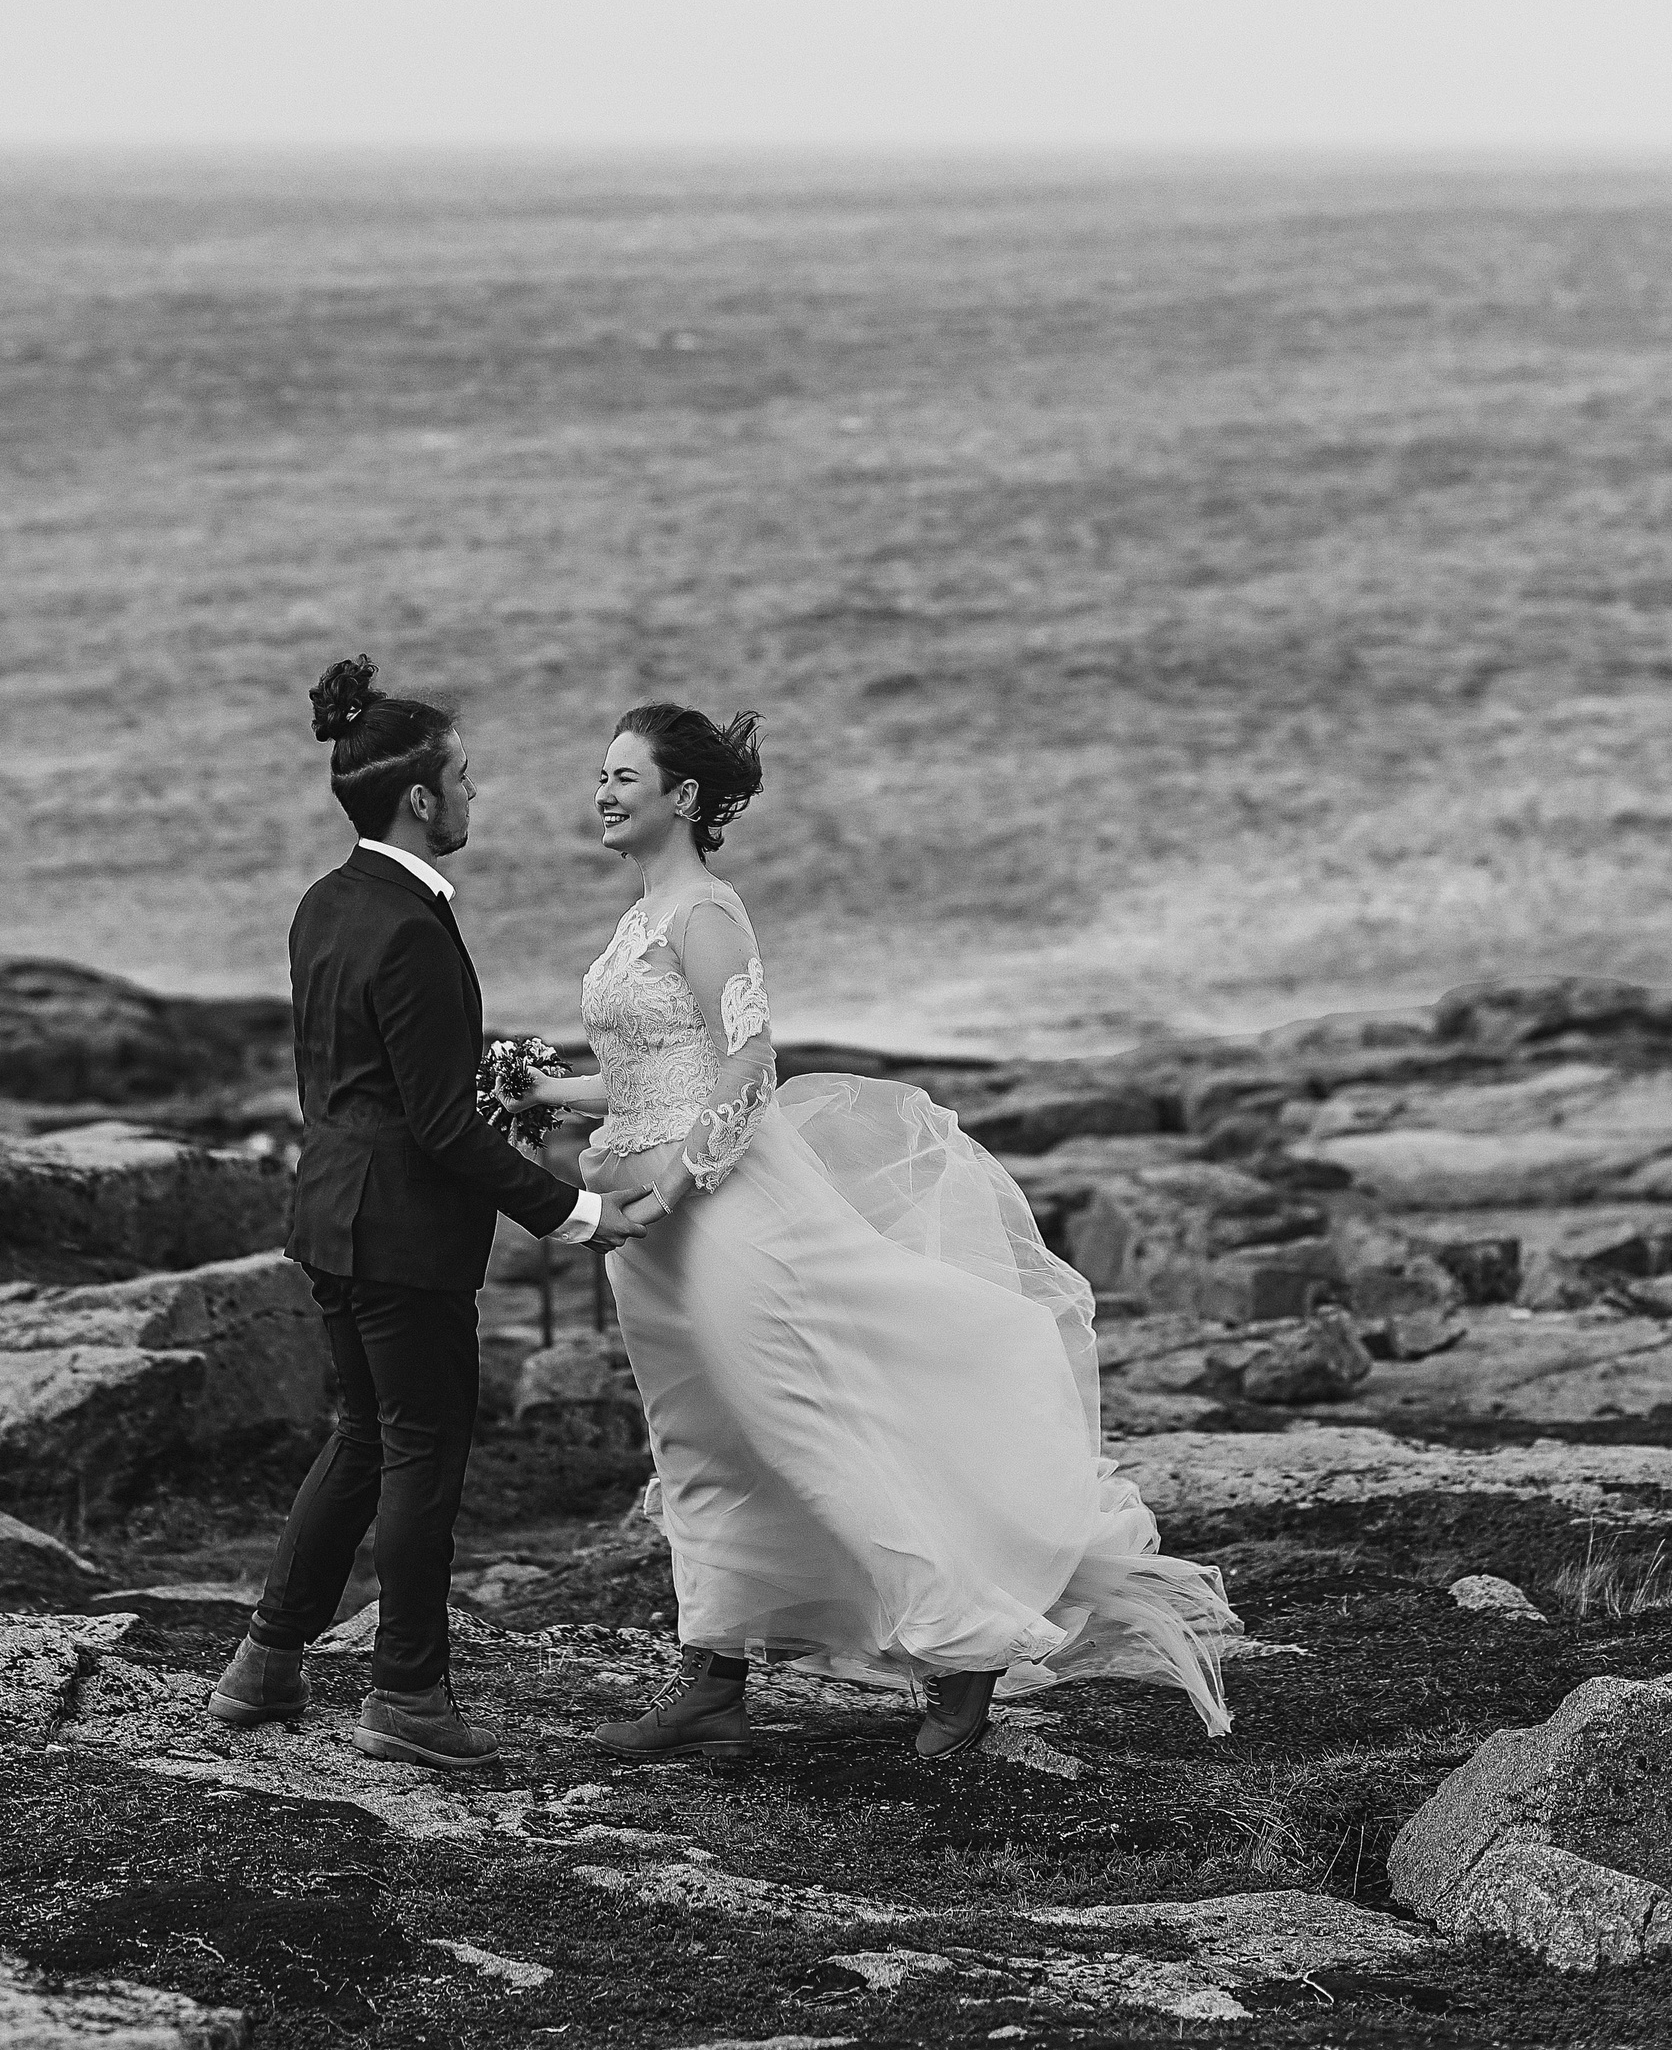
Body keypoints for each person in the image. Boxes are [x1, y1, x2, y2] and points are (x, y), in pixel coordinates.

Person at [500, 701, 1238, 1763]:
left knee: (798, 1428)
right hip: (645, 1235)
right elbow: (652, 1073)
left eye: (624, 776)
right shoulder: (641, 915)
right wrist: (545, 1094)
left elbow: (749, 1070)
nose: (603, 792)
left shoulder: (705, 913)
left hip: (718, 1214)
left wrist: (665, 1193)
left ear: (685, 797)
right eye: (602, 775)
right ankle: (711, 1677)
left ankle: (965, 1644)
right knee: (698, 1437)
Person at [208, 655, 651, 1768]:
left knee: (365, 1435)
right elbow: (441, 1126)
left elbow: (360, 1087)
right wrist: (578, 1213)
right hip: (403, 1232)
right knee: (421, 1453)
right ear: (419, 796)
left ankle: (265, 1663)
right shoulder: (409, 926)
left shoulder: (326, 902)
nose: (473, 794)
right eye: (462, 777)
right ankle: (406, 1693)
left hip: (331, 1213)